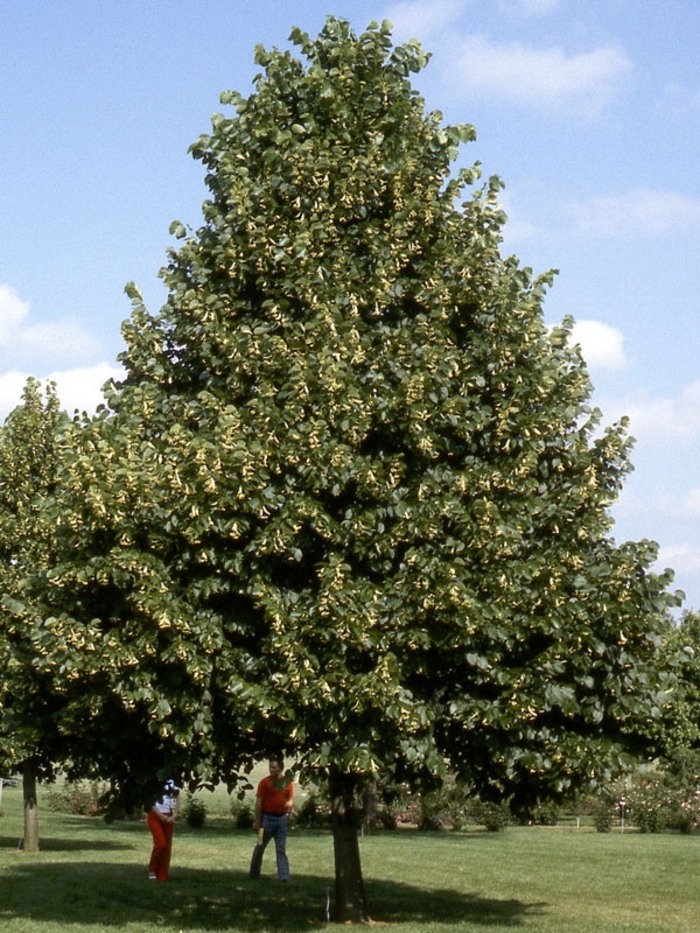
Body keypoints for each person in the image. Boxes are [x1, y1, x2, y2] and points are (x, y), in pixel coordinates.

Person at [249, 758, 294, 881]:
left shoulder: (287, 782)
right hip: (266, 819)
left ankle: (284, 877)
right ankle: (254, 873)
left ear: (280, 768)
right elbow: (259, 802)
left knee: (281, 849)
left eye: (274, 767)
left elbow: (290, 800)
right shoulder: (264, 782)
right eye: (270, 766)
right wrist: (257, 820)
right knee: (260, 846)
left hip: (281, 820)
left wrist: (289, 809)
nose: (271, 769)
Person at [148, 778, 181, 881]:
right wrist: (161, 816)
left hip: (169, 815)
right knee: (160, 843)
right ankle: (152, 870)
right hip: (155, 815)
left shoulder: (172, 781)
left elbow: (178, 797)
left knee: (167, 847)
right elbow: (149, 801)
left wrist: (174, 815)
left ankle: (162, 873)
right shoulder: (153, 780)